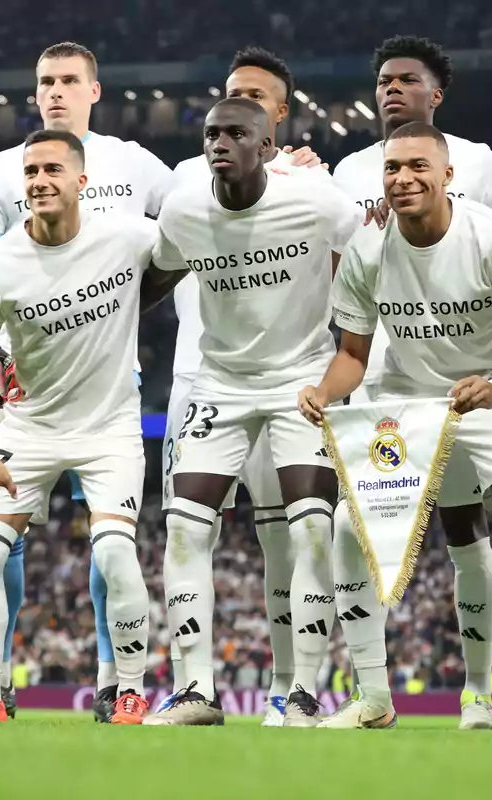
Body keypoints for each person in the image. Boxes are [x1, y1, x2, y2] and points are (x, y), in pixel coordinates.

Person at [301, 121, 492, 731]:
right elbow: (353, 357)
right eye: (393, 169)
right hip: (406, 400)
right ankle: (373, 698)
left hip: (490, 394)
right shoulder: (368, 249)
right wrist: (322, 390)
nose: (404, 178)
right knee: (347, 525)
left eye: (419, 166)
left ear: (448, 175)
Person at [0, 41, 172, 723]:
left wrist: (128, 305)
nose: (55, 90)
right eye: (45, 80)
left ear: (94, 89)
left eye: (68, 80)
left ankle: (123, 686)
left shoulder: (130, 192)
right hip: (29, 416)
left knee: (112, 549)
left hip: (109, 414)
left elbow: (196, 219)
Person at [146, 99, 361, 727]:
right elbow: (153, 276)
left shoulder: (316, 200)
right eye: (212, 133)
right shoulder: (185, 207)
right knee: (185, 528)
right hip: (221, 384)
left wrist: (349, 339)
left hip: (302, 381)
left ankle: (300, 694)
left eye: (238, 133)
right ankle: (195, 691)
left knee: (310, 530)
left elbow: (370, 254)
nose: (221, 143)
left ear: (268, 146)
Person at [333, 36, 492, 404]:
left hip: (469, 352)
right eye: (384, 81)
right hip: (382, 354)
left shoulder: (476, 159)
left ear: (435, 96)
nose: (393, 87)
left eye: (408, 79)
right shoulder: (348, 170)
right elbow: (341, 267)